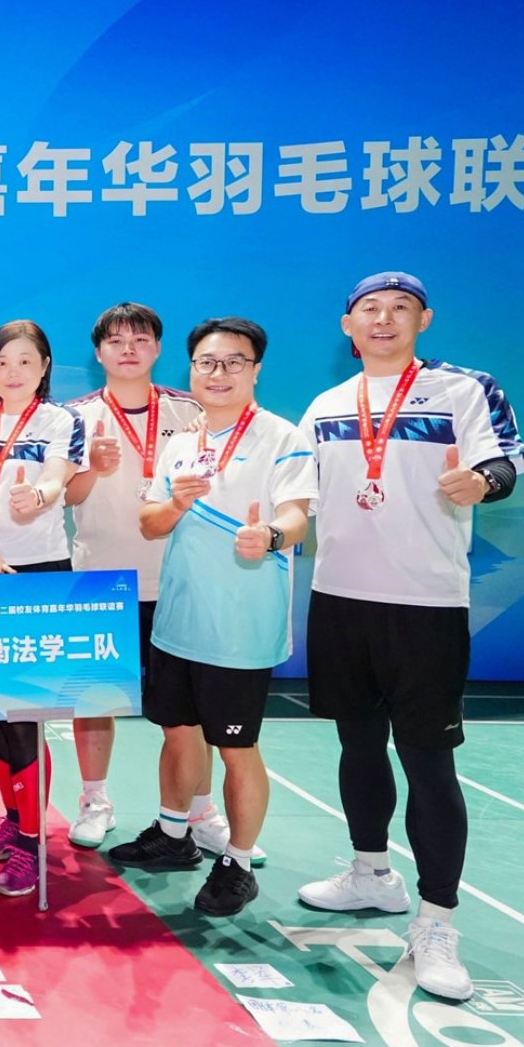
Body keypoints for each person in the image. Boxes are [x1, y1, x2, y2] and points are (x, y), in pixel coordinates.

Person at [296, 271, 524, 998]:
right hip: (340, 599)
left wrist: (483, 483)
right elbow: (297, 491)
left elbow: (505, 462)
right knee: (358, 745)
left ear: (423, 319)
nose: (384, 319)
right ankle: (371, 872)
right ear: (348, 325)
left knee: (428, 760)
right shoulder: (327, 405)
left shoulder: (465, 389)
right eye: (370, 309)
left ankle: (436, 921)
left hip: (425, 605)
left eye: (401, 308)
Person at [108, 318, 315, 918]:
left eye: (233, 362)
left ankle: (239, 864)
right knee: (177, 731)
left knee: (236, 747)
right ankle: (174, 835)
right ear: (191, 369)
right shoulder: (182, 442)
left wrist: (269, 535)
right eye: (206, 362)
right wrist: (176, 501)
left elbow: (298, 517)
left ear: (256, 370)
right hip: (178, 619)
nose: (218, 373)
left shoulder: (282, 437)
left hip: (240, 629)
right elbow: (149, 523)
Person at [63, 303, 254, 859]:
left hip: (180, 582)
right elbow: (63, 498)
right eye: (115, 341)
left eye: (140, 339)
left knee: (188, 712)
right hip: (100, 580)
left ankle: (200, 812)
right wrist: (89, 469)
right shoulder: (73, 418)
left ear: (158, 349)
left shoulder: (193, 408)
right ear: (97, 352)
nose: (128, 350)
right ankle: (95, 801)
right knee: (93, 701)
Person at [0, 320, 82, 897]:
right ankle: (14, 816)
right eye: (2, 362)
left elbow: (56, 478)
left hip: (38, 576)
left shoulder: (61, 421)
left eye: (26, 361)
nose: (13, 372)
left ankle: (32, 840)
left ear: (45, 365)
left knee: (25, 717)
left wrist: (40, 496)